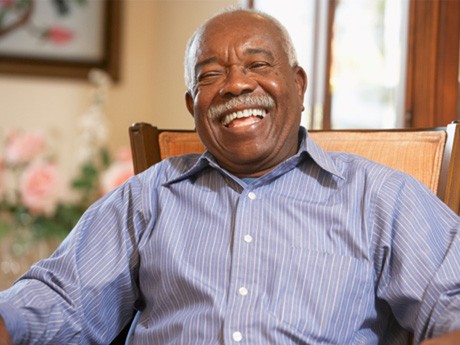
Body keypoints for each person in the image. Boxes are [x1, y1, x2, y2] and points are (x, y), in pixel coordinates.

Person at [1, 7, 460, 345]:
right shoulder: (147, 199)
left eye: (258, 65)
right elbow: (59, 301)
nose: (236, 85)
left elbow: (452, 307)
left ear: (298, 86)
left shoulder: (381, 197)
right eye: (211, 74)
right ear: (193, 106)